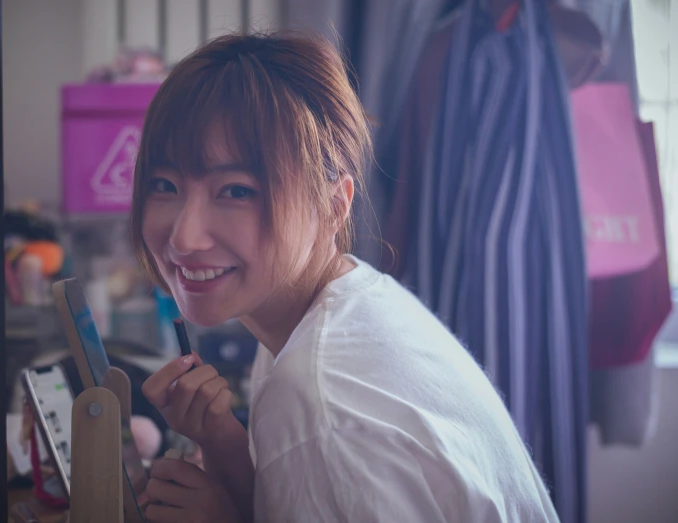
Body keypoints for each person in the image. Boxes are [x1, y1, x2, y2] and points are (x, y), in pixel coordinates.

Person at [131, 32, 559, 523]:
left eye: (235, 191)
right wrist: (222, 440)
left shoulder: (321, 400)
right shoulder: (342, 303)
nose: (184, 238)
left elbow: (324, 444)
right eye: (165, 186)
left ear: (334, 206)